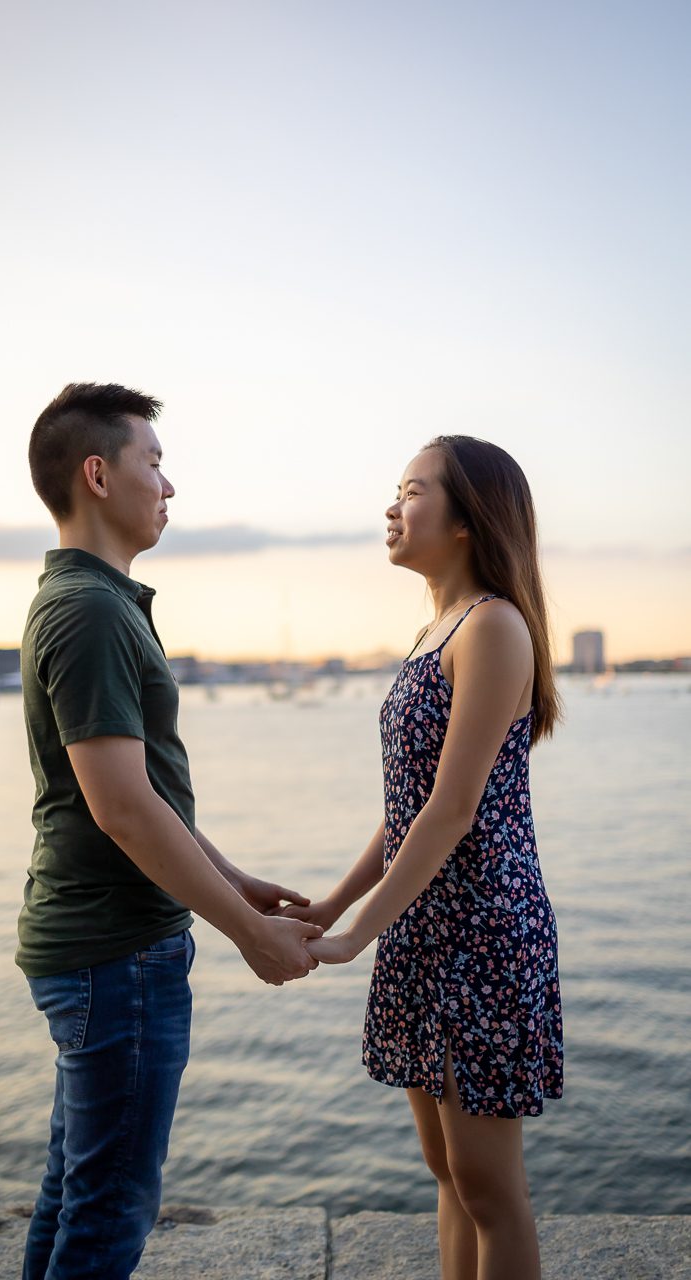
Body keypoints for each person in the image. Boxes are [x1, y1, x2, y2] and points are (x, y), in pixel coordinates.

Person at [16, 382, 322, 1280]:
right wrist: (250, 933)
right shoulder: (91, 610)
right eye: (155, 461)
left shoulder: (87, 600)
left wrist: (232, 883)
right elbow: (120, 806)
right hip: (118, 956)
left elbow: (142, 791)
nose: (169, 485)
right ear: (99, 474)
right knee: (109, 1212)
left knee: (75, 1193)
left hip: (97, 949)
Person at [286, 436, 563, 1280]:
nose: (391, 506)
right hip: (424, 925)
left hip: (482, 931)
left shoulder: (495, 627)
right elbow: (406, 809)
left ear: (467, 519)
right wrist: (330, 910)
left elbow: (451, 811)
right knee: (446, 1170)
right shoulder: (429, 631)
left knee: (487, 1185)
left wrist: (354, 936)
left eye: (410, 490)